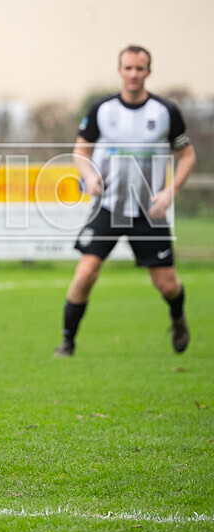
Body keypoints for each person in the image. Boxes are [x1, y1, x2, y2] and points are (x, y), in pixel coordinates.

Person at [55, 45, 196, 357]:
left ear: (148, 72)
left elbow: (187, 155)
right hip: (109, 206)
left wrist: (170, 191)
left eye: (140, 68)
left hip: (150, 210)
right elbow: (81, 151)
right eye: (128, 68)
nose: (134, 74)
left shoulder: (165, 112)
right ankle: (67, 341)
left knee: (167, 284)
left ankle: (178, 319)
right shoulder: (102, 109)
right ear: (119, 71)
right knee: (85, 273)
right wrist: (90, 177)